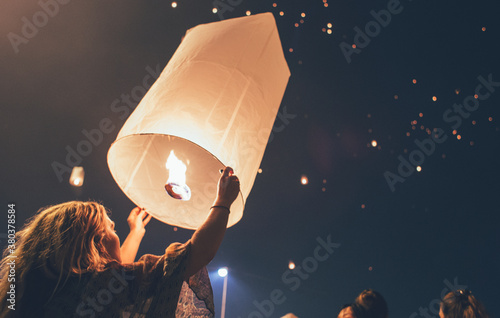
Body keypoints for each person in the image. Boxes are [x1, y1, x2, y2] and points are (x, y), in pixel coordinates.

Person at [0, 166, 240, 317]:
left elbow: (115, 278)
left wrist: (135, 232)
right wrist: (222, 202)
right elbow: (192, 256)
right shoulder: (98, 284)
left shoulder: (37, 292)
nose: (117, 233)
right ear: (94, 244)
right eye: (112, 229)